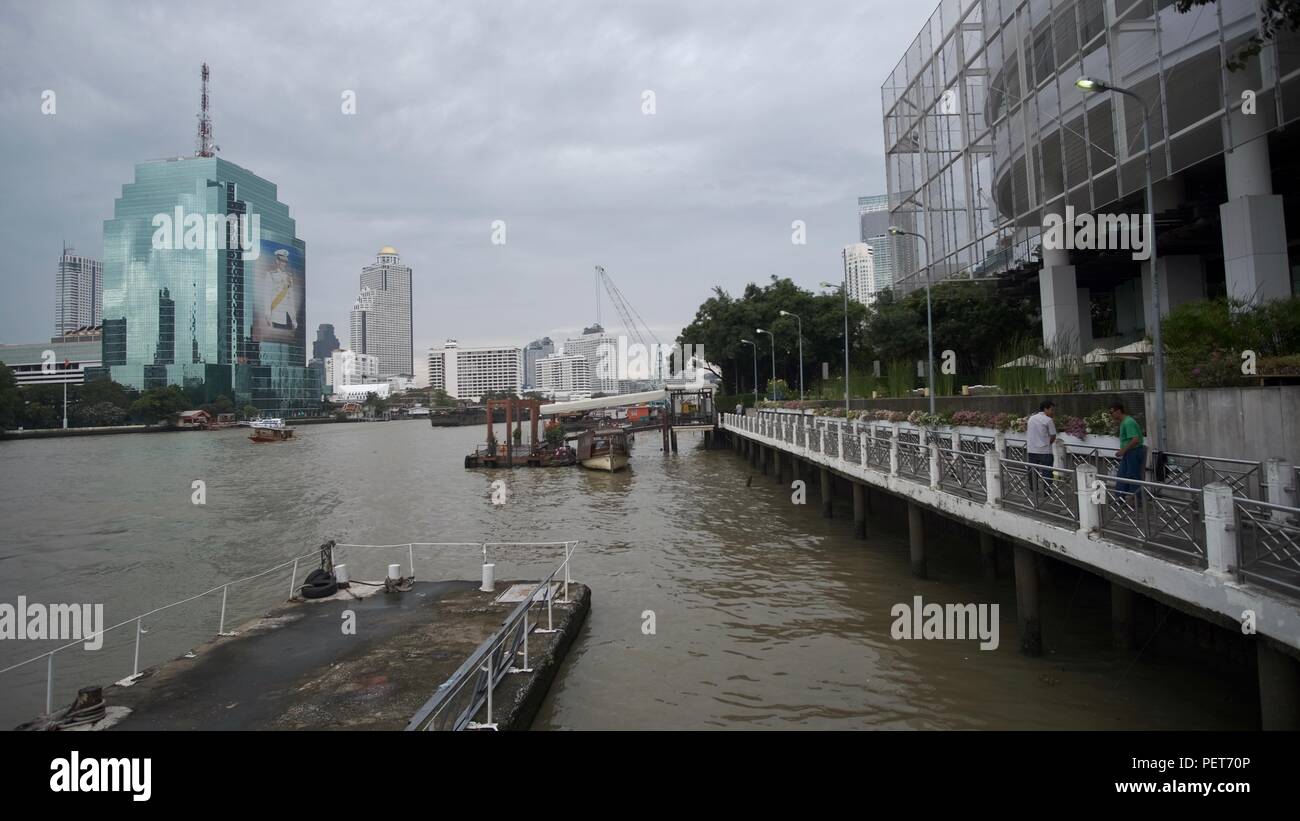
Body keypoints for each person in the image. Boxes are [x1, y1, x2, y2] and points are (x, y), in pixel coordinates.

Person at [1111, 402, 1146, 502]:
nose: (1111, 416)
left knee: (1132, 475)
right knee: (1123, 474)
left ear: (1118, 411)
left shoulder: (1128, 422)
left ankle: (1135, 500)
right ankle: (1120, 498)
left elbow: (1135, 440)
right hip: (1129, 452)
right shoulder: (1124, 422)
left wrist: (1123, 451)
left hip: (1134, 452)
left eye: (1112, 413)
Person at [1025, 400, 1057, 493]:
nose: (1053, 412)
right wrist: (1047, 443)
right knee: (1047, 471)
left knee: (1032, 470)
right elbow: (1053, 435)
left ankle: (1033, 489)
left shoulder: (1031, 418)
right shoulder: (1048, 420)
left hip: (1031, 449)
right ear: (1045, 409)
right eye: (1051, 410)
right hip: (1045, 450)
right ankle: (1047, 491)